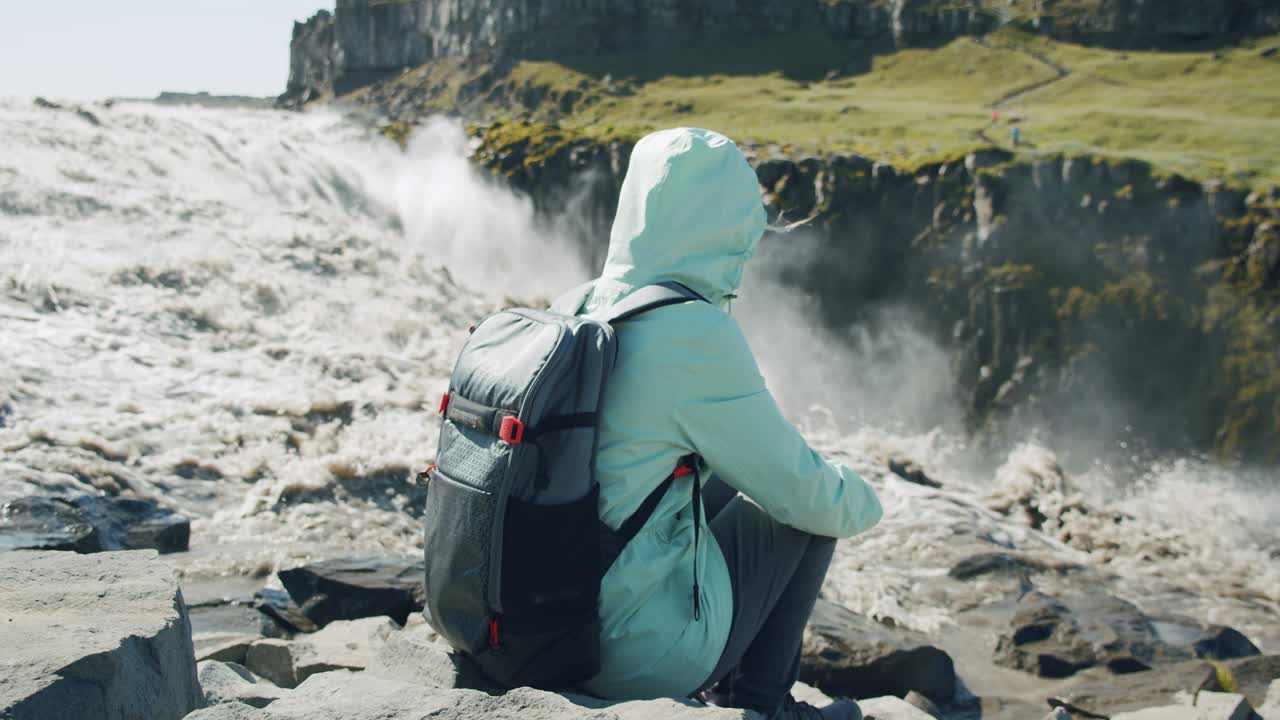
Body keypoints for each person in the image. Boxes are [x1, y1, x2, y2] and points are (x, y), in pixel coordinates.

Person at [565, 127, 884, 720]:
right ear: (727, 223)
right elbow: (805, 495)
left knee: (719, 478)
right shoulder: (690, 332)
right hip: (625, 658)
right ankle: (761, 704)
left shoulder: (580, 305)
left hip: (532, 626)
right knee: (803, 516)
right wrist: (867, 500)